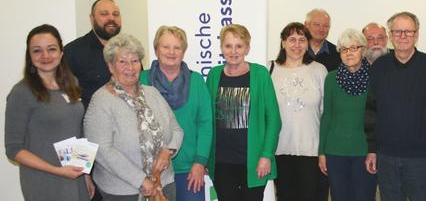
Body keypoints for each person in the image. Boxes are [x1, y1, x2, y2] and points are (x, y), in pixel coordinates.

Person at [84, 34, 183, 200]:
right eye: (122, 61)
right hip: (124, 192)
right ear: (110, 66)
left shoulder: (152, 93)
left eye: (135, 61)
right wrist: (142, 181)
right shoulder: (101, 100)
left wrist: (168, 151)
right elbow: (102, 150)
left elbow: (176, 129)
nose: (130, 67)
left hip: (165, 184)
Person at [364, 11, 426, 200]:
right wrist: (372, 149)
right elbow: (371, 112)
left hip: (423, 159)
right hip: (386, 157)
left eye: (408, 32)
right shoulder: (379, 67)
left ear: (416, 35)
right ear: (391, 35)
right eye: (398, 31)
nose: (403, 36)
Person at [5, 24, 93, 201]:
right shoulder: (22, 92)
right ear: (30, 56)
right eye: (37, 51)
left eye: (51, 49)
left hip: (75, 177)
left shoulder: (71, 84)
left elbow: (77, 132)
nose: (45, 56)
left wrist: (85, 174)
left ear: (61, 52)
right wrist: (58, 171)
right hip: (45, 181)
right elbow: (14, 149)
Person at [206, 24, 281, 201]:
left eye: (239, 46)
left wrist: (266, 155)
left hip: (253, 162)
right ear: (221, 47)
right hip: (222, 162)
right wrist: (206, 157)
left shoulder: (260, 74)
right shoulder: (214, 74)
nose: (233, 51)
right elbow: (206, 119)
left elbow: (274, 119)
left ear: (247, 48)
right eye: (228, 46)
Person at [140, 26, 213, 201]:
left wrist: (200, 162)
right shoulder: (141, 80)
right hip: (150, 171)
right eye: (166, 47)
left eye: (177, 47)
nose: (171, 52)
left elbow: (206, 124)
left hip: (189, 170)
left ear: (183, 51)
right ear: (156, 49)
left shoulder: (196, 81)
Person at [269, 22, 327, 201]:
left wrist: (324, 151)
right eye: (292, 39)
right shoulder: (269, 70)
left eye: (302, 40)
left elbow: (326, 114)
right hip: (279, 149)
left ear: (308, 44)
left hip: (311, 150)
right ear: (283, 43)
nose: (297, 45)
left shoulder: (319, 70)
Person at [318, 28, 377, 201]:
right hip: (335, 152)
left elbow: (379, 117)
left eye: (354, 48)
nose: (349, 53)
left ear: (363, 50)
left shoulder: (375, 78)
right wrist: (322, 152)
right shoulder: (331, 79)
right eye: (344, 49)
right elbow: (327, 115)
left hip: (365, 151)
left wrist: (376, 150)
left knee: (364, 197)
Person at [65, 0, 122, 108]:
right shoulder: (73, 52)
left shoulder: (130, 50)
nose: (111, 18)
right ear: (92, 18)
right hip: (90, 122)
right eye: (104, 14)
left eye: (115, 14)